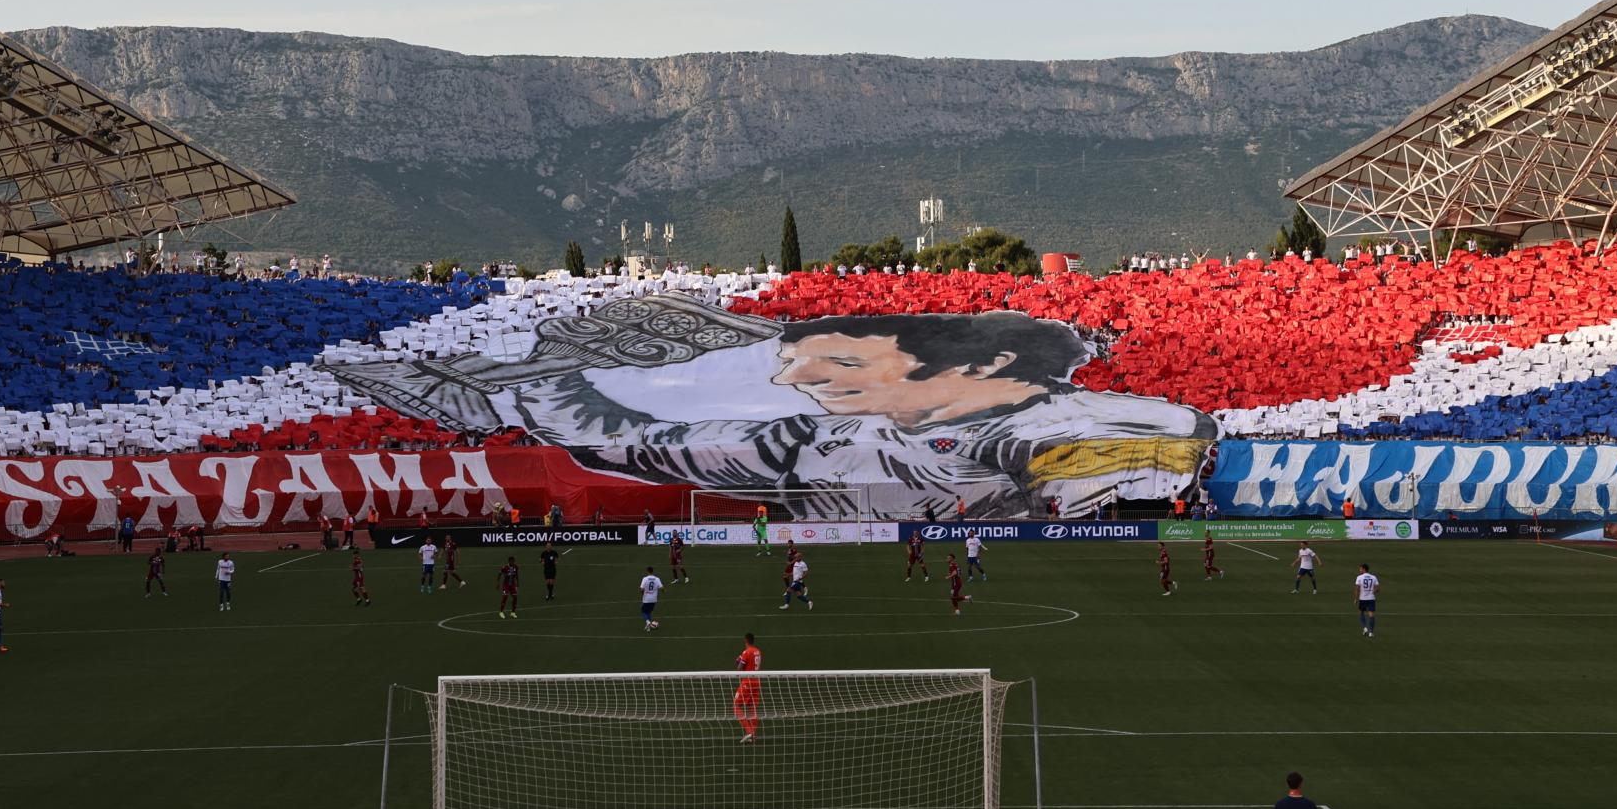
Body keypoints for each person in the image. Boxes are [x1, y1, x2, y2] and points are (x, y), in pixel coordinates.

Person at [327, 306, 1220, 521]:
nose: (802, 382)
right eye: (791, 368)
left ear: (988, 359)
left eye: (835, 358)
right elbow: (652, 444)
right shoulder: (821, 439)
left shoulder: (1091, 423)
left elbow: (1134, 452)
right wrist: (535, 386)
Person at [734, 632, 763, 742]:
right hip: (757, 681)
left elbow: (739, 667)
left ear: (745, 640)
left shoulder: (746, 652)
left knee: (736, 706)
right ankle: (753, 735)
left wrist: (738, 660)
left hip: (748, 682)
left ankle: (749, 732)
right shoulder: (758, 651)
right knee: (752, 708)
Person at [1354, 563, 1380, 637]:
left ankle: (1365, 628)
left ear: (1364, 569)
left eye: (1360, 569)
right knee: (1371, 614)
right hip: (1371, 598)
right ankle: (1371, 632)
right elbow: (1378, 589)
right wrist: (1373, 592)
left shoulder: (1359, 577)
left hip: (1362, 599)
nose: (1359, 570)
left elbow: (1357, 589)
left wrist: (1356, 599)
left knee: (1361, 612)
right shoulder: (1373, 577)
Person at [640, 566, 664, 631]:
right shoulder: (657, 579)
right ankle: (648, 627)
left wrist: (642, 594)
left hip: (646, 598)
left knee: (643, 611)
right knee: (649, 612)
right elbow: (662, 588)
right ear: (653, 571)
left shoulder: (645, 579)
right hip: (653, 599)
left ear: (647, 571)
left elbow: (641, 589)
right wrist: (663, 591)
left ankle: (648, 622)